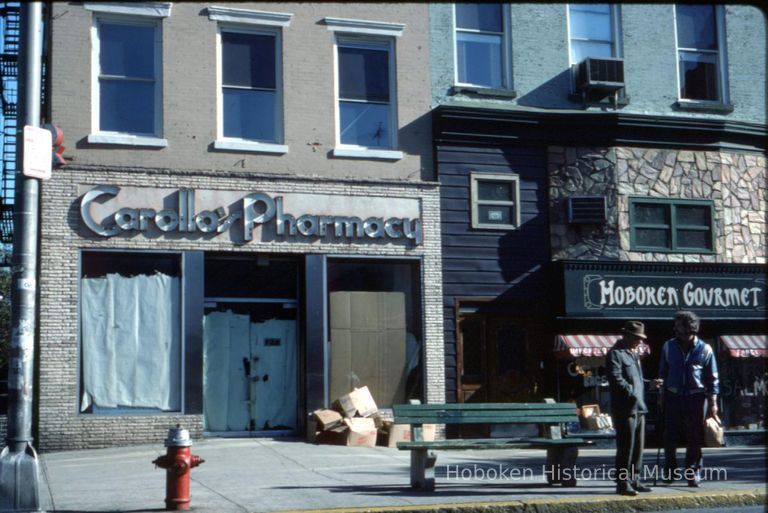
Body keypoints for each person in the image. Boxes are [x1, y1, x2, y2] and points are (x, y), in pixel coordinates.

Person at [655, 311, 719, 487]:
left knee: (694, 438)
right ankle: (670, 472)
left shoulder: (705, 349)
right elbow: (662, 372)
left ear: (690, 327)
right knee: (670, 436)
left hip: (696, 397)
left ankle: (693, 473)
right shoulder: (668, 346)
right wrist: (661, 393)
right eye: (675, 325)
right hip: (672, 395)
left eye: (679, 325)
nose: (675, 328)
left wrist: (713, 403)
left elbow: (712, 378)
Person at [607, 320, 652, 496]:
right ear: (626, 336)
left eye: (641, 339)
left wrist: (650, 384)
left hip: (639, 407)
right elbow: (616, 378)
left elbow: (637, 379)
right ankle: (622, 482)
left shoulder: (632, 354)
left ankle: (635, 479)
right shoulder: (615, 354)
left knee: (638, 447)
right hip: (625, 408)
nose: (640, 342)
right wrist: (632, 392)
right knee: (626, 447)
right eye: (637, 338)